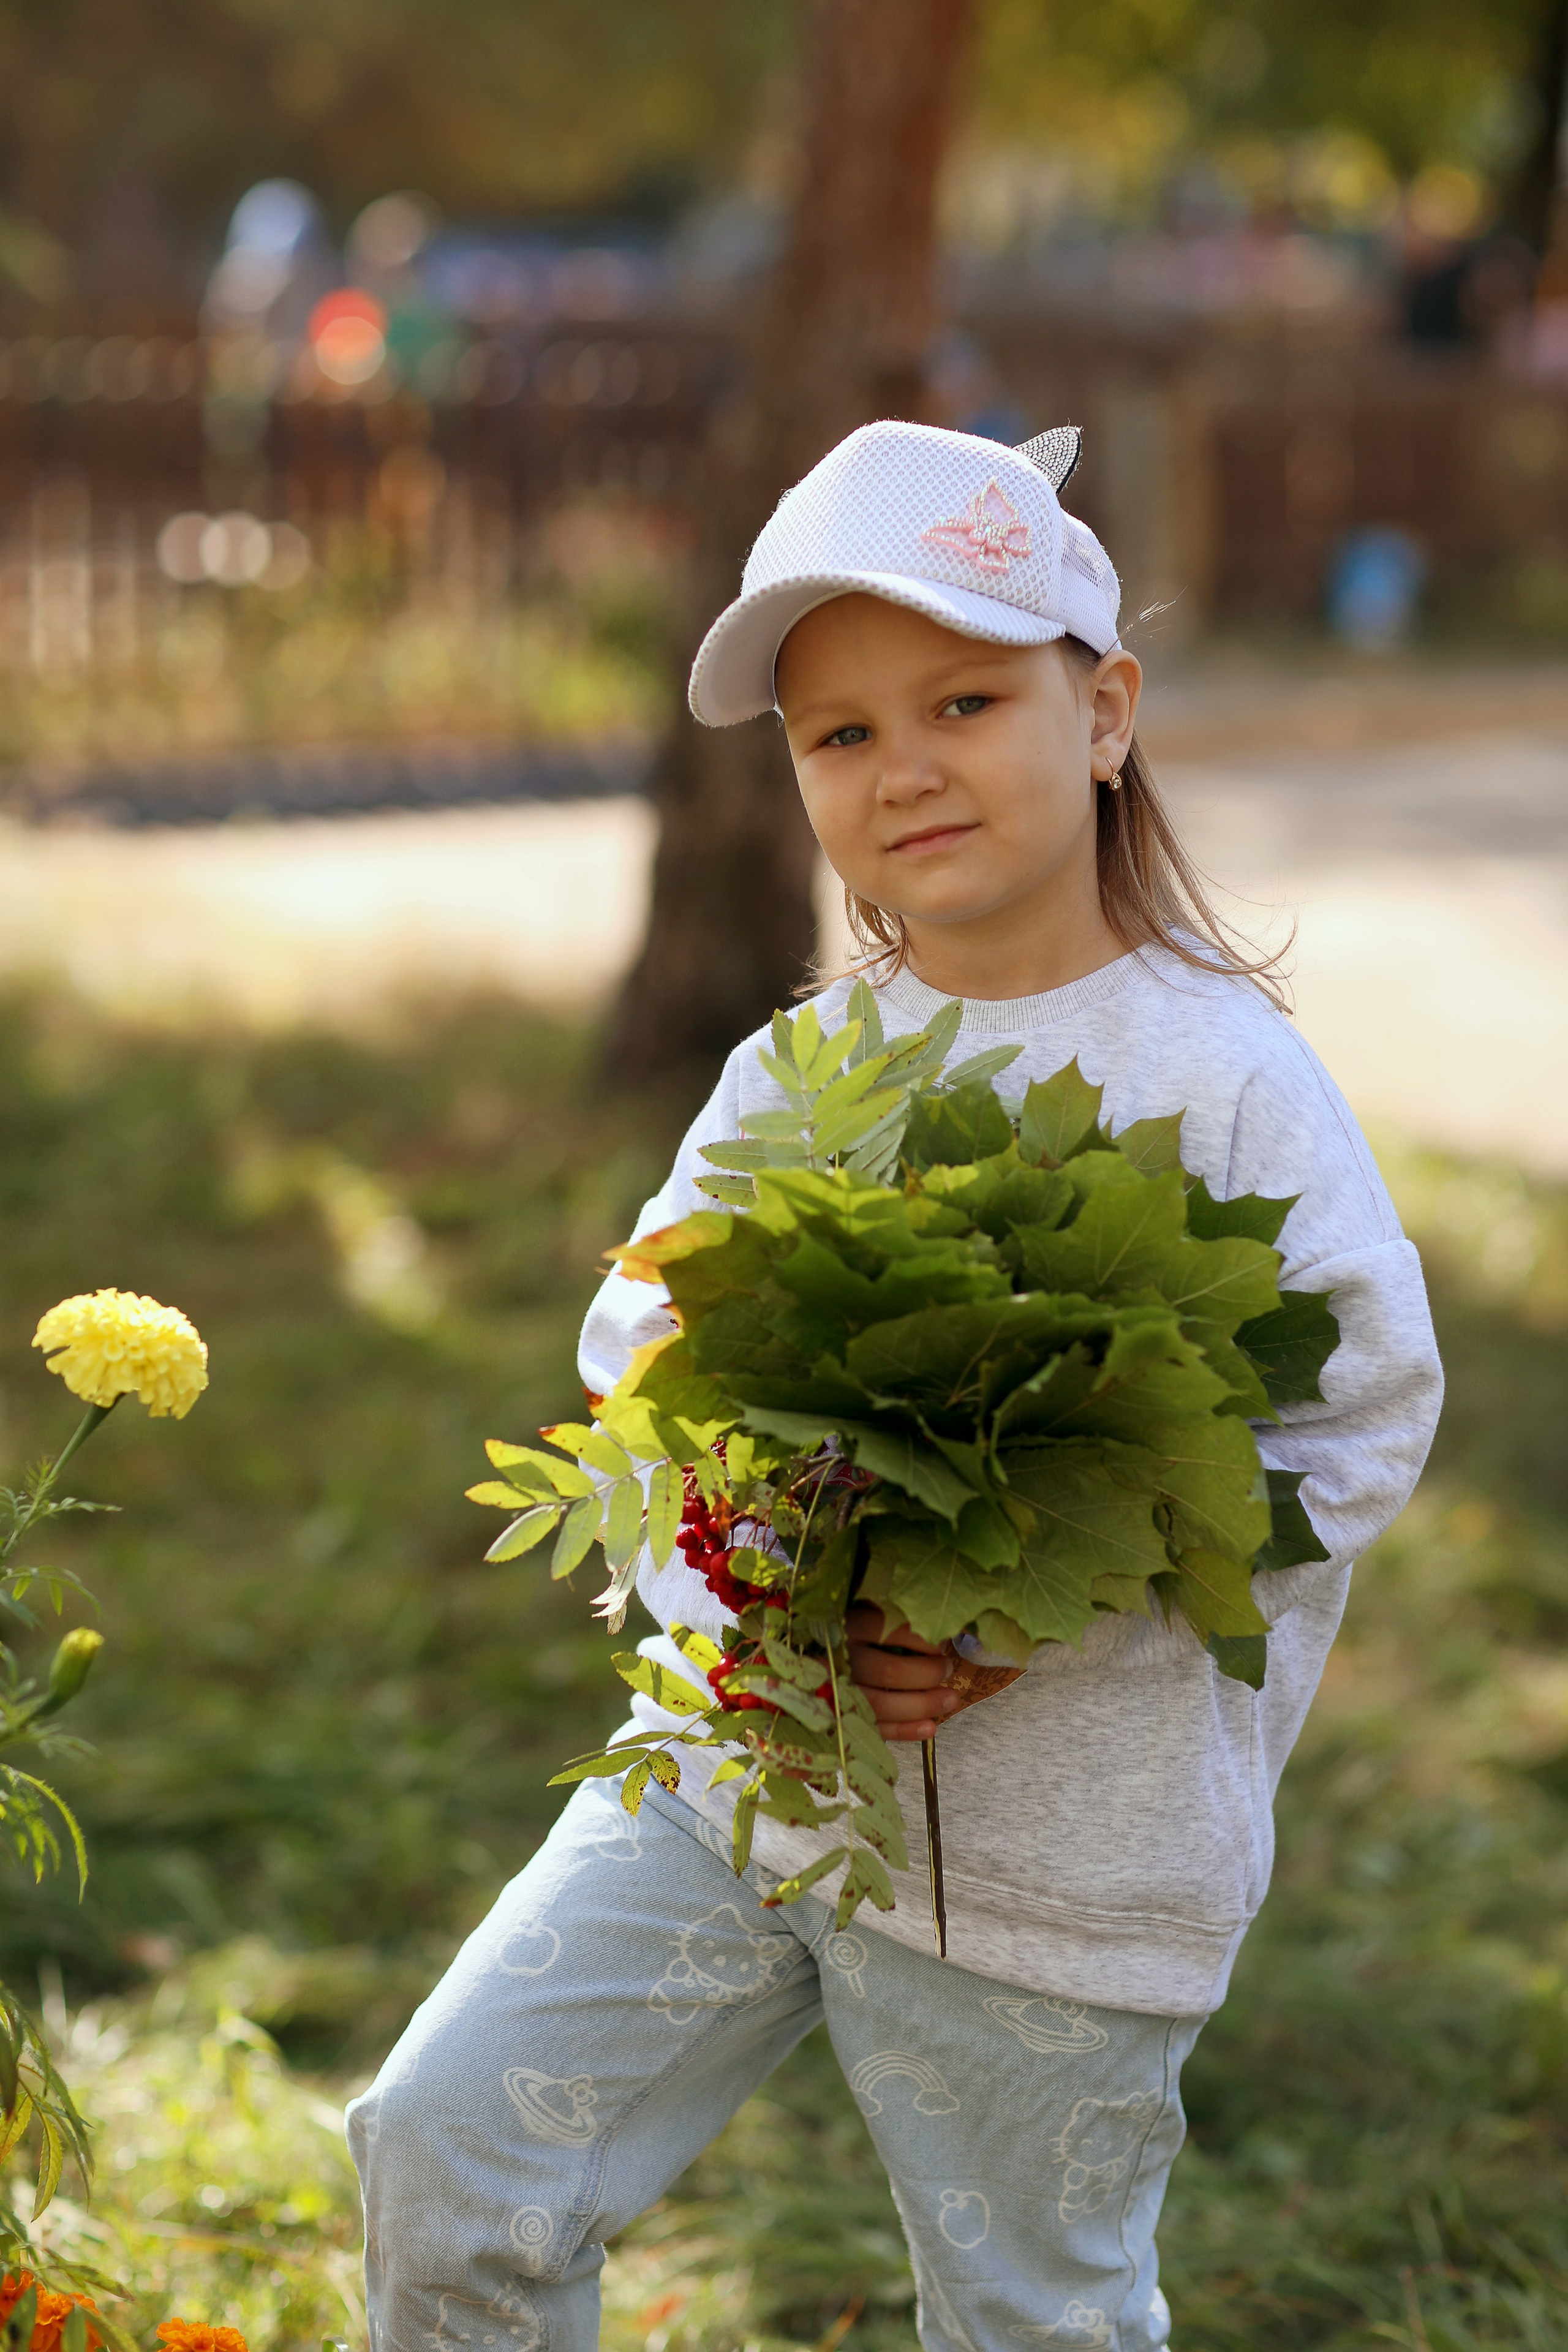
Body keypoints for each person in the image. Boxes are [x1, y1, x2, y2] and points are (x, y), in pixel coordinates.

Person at [347, 421, 1443, 2352]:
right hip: (745, 1775)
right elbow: (648, 1355)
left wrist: (1024, 1595)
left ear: (1104, 713)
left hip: (1059, 1869)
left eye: (961, 697)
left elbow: (1354, 1408)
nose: (901, 763)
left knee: (1031, 2316)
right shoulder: (805, 1071)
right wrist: (778, 1586)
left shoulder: (1229, 1083)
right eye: (837, 734)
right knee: (451, 2152)